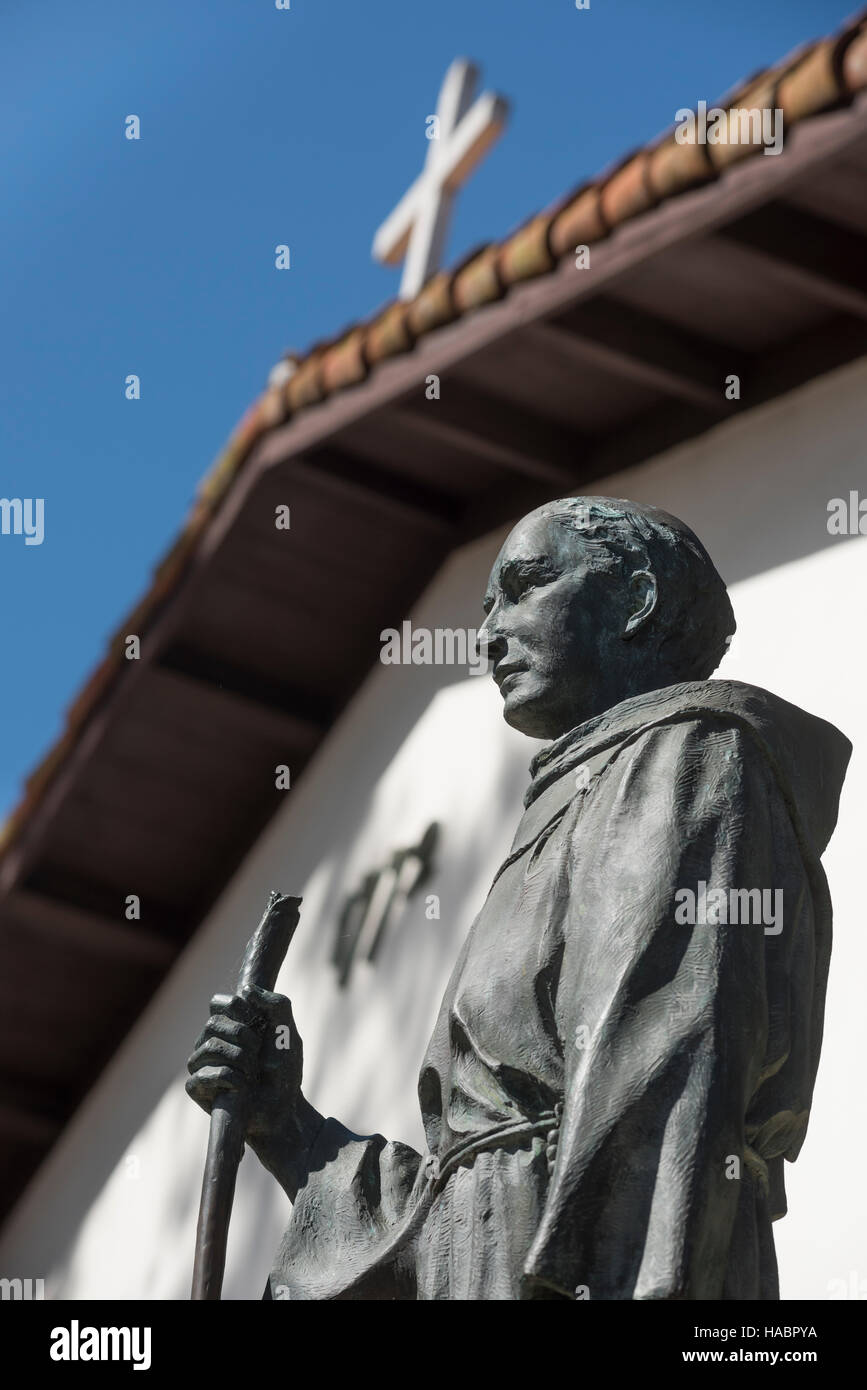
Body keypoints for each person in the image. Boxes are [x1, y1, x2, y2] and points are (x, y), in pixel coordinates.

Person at [186, 496, 850, 1300]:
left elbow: (658, 1087)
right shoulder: (573, 803)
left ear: (635, 601)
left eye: (527, 584)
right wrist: (286, 1125)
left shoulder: (685, 758)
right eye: (485, 604)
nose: (489, 630)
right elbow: (466, 1195)